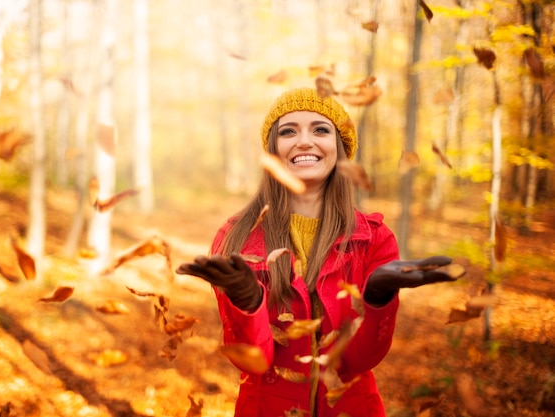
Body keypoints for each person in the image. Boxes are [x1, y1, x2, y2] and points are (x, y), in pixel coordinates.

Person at [176, 87, 460, 417]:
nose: (305, 141)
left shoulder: (374, 238)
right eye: (288, 131)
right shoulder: (237, 237)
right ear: (274, 150)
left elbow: (359, 361)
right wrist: (246, 301)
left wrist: (379, 299)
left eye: (320, 129)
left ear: (339, 148)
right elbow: (253, 362)